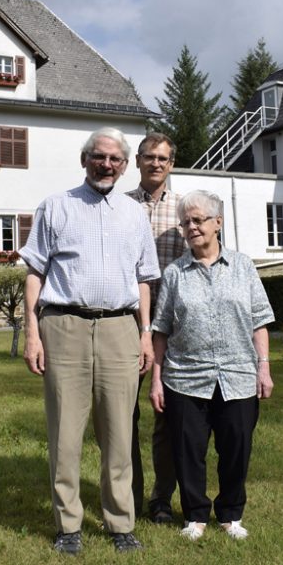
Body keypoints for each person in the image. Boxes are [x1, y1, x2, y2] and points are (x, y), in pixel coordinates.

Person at [19, 127, 160, 556]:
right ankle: (68, 524)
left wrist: (145, 333)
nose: (107, 165)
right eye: (99, 157)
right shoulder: (56, 207)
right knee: (65, 432)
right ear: (85, 160)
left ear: (125, 165)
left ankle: (120, 522)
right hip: (64, 327)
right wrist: (31, 331)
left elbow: (143, 279)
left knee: (119, 431)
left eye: (116, 159)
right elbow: (34, 272)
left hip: (121, 329)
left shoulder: (135, 214)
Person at [149, 190, 275, 541]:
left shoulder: (243, 266)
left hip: (237, 375)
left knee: (236, 447)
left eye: (198, 220)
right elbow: (161, 330)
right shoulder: (175, 273)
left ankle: (230, 514)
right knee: (188, 450)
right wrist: (157, 380)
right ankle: (195, 516)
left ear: (218, 223)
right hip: (185, 377)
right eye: (185, 222)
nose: (191, 227)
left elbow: (259, 321)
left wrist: (263, 368)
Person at [124, 132, 186, 524]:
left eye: (163, 158)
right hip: (125, 319)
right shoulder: (118, 204)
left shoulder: (185, 209)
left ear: (171, 163)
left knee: (169, 414)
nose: (156, 164)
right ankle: (127, 494)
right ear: (138, 161)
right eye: (149, 157)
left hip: (174, 322)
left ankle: (161, 498)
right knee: (122, 413)